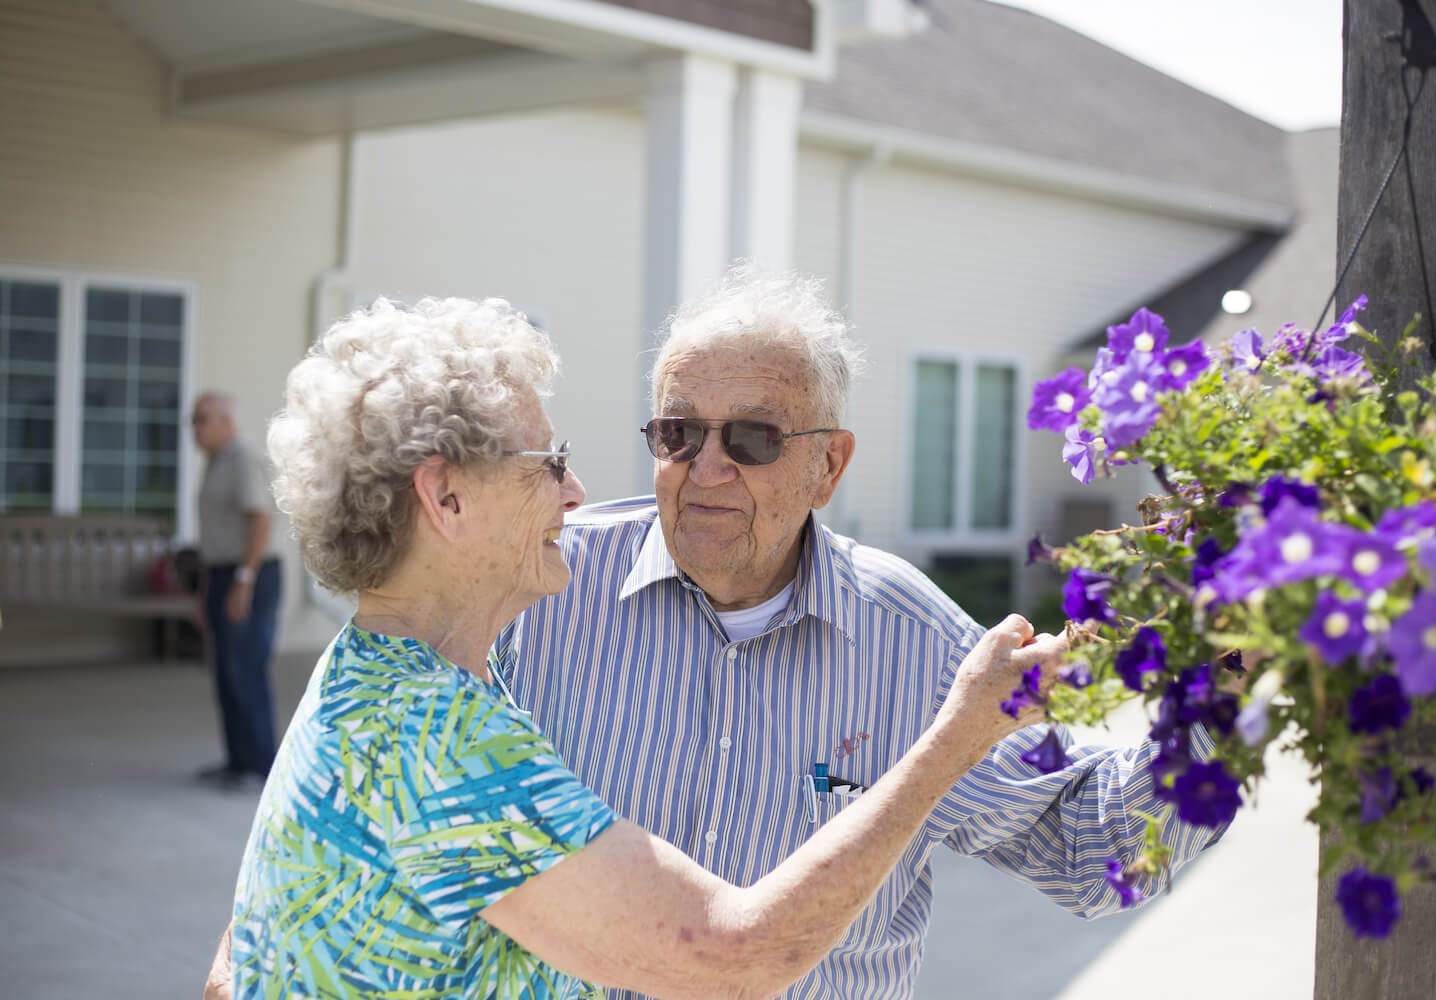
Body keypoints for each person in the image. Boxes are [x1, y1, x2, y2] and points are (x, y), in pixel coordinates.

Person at [208, 296, 1067, 1000]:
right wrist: (957, 734)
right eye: (548, 463)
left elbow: (237, 963)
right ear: (448, 499)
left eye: (752, 439)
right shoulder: (436, 737)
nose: (578, 492)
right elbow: (735, 958)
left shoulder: (381, 674)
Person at [488, 265, 1232, 999]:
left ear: (828, 465)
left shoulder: (914, 642)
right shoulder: (537, 594)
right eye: (678, 433)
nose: (706, 467)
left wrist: (1239, 679)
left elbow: (1092, 843)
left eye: (752, 438)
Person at [191, 391, 282, 789]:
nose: (194, 428)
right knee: (226, 673)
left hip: (251, 576)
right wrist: (205, 592)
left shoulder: (241, 459)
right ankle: (237, 761)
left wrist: (243, 582)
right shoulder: (215, 463)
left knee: (246, 669)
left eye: (201, 419)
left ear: (227, 422)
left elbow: (260, 522)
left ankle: (261, 767)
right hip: (223, 574)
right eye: (192, 420)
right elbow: (217, 537)